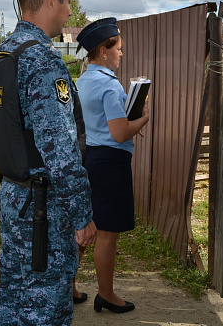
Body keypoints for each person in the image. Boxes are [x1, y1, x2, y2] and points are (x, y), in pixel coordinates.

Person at [0, 0, 97, 326]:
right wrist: (82, 215)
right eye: (67, 2)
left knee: (14, 297)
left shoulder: (3, 53)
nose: (69, 11)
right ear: (50, 1)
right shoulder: (42, 60)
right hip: (41, 211)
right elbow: (61, 150)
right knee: (46, 307)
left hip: (13, 197)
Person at [75, 17, 150, 314]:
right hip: (111, 163)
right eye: (118, 48)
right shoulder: (108, 86)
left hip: (92, 157)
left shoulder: (83, 81)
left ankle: (68, 284)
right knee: (107, 233)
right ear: (103, 51)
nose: (121, 53)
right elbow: (119, 132)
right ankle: (106, 294)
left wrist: (127, 122)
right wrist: (143, 117)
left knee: (87, 228)